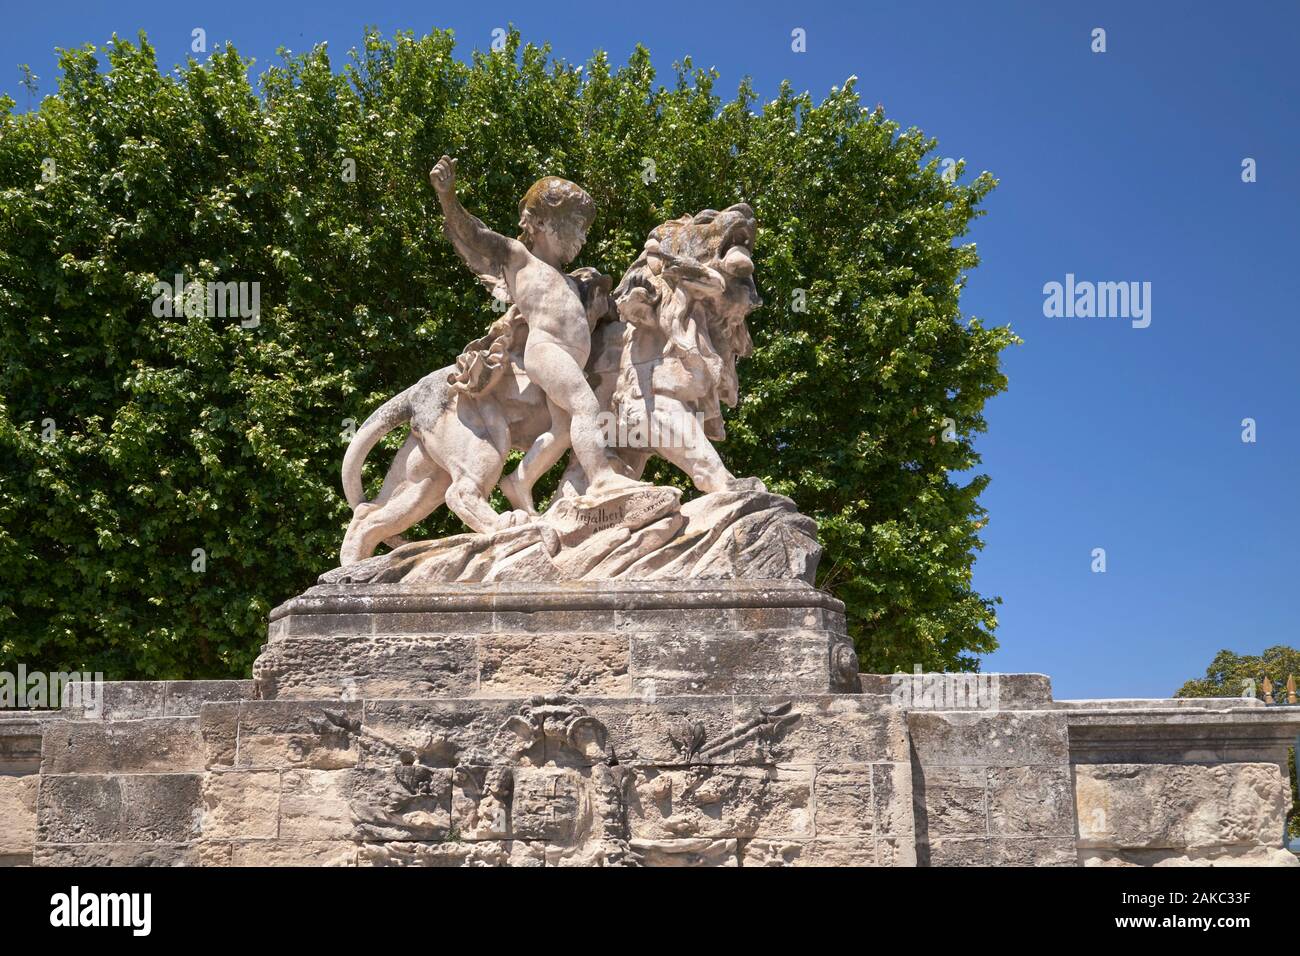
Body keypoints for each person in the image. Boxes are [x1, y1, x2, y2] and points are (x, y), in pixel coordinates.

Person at [430, 155, 643, 513]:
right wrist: (448, 198)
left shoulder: (573, 282)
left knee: (562, 432)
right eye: (577, 226)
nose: (583, 237)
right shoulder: (519, 258)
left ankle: (520, 481)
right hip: (546, 351)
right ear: (542, 222)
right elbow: (476, 235)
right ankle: (603, 478)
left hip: (568, 359)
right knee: (585, 405)